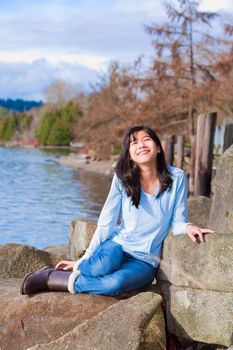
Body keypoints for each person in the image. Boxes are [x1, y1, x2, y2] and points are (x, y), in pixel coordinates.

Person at [21, 125, 215, 296]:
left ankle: (52, 279)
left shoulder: (177, 177)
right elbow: (107, 221)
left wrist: (189, 227)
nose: (141, 145)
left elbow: (178, 220)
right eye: (134, 142)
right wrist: (84, 260)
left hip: (145, 260)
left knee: (115, 284)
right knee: (102, 266)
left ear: (157, 148)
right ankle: (80, 269)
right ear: (129, 153)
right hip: (118, 246)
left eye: (146, 139)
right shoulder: (123, 179)